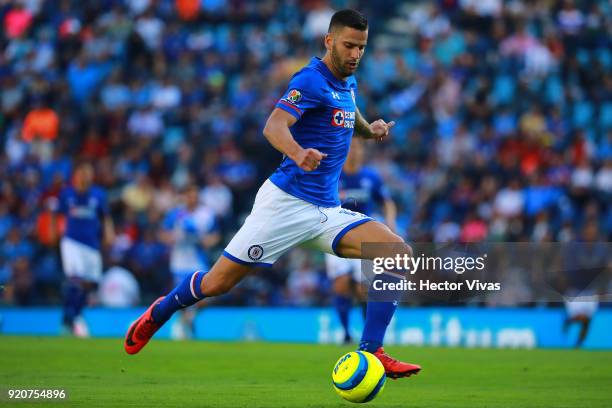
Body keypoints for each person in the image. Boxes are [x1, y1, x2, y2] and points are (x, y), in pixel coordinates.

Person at [124, 9, 421, 379]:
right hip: (285, 204)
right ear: (328, 41)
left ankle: (372, 352)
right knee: (217, 283)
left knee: (396, 252)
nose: (355, 54)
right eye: (348, 45)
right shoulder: (310, 80)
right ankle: (162, 311)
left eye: (361, 46)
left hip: (326, 211)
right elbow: (274, 125)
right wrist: (298, 153)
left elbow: (349, 116)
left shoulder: (348, 83)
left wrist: (369, 129)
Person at [326, 137, 397, 343]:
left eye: (358, 147)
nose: (355, 151)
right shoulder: (333, 174)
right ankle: (346, 333)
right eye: (351, 147)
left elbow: (387, 202)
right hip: (334, 233)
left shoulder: (371, 177)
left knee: (362, 288)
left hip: (362, 236)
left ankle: (369, 338)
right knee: (340, 285)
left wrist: (390, 221)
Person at [50, 162, 115, 335]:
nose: (86, 176)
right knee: (75, 279)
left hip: (92, 244)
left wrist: (109, 233)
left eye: (89, 173)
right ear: (76, 175)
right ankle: (71, 319)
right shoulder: (67, 194)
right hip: (72, 242)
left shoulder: (98, 194)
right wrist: (54, 232)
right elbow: (56, 215)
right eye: (83, 173)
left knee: (90, 282)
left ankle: (72, 316)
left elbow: (105, 216)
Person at [160, 184, 220, 338]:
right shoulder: (175, 214)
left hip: (198, 261)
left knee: (206, 297)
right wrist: (175, 238)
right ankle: (183, 327)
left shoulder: (206, 214)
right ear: (184, 196)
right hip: (179, 263)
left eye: (194, 194)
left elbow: (215, 236)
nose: (192, 198)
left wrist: (203, 241)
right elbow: (162, 234)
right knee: (181, 298)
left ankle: (189, 318)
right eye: (189, 194)